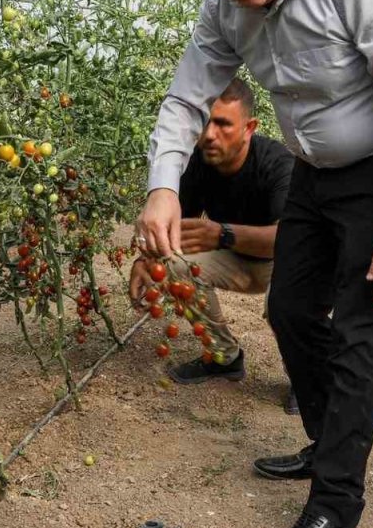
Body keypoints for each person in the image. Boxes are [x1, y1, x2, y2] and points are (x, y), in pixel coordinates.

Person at [135, 0, 373, 528]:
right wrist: (163, 186)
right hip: (313, 170)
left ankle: (335, 514)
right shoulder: (226, 4)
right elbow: (185, 97)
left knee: (363, 329)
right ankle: (325, 439)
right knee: (289, 308)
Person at [128, 78, 299, 413]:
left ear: (249, 127)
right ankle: (224, 357)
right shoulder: (197, 162)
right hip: (237, 262)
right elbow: (173, 231)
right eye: (205, 122)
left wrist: (222, 234)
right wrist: (142, 261)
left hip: (286, 262)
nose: (209, 134)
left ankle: (307, 377)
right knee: (175, 265)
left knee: (286, 303)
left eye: (222, 124)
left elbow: (290, 239)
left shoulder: (278, 164)